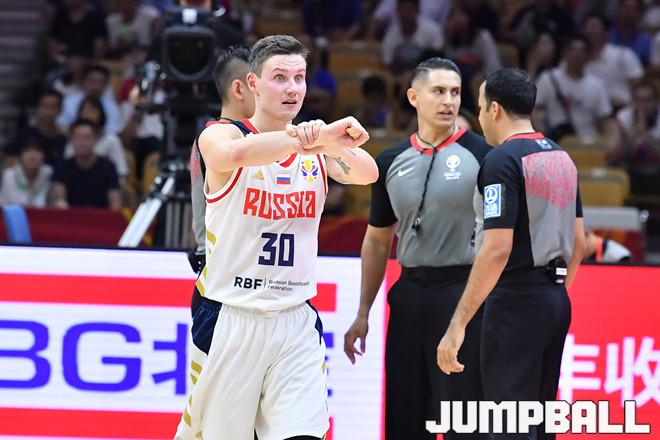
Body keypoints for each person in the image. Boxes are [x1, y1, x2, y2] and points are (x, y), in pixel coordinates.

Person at [174, 35, 378, 440]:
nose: (292, 88)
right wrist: (311, 138)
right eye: (280, 78)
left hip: (294, 318)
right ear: (252, 83)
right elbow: (230, 157)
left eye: (299, 78)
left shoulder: (316, 147)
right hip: (232, 315)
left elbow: (367, 172)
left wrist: (326, 142)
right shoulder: (221, 134)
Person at [344, 57, 491, 440]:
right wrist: (363, 312)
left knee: (463, 420)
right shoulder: (390, 161)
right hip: (409, 296)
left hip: (462, 294)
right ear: (413, 97)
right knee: (405, 416)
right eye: (438, 91)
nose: (449, 101)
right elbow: (377, 240)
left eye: (455, 92)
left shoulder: (484, 156)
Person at [437, 68, 587, 439]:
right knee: (541, 422)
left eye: (480, 106)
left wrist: (458, 324)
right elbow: (580, 243)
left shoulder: (502, 160)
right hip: (555, 299)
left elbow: (497, 249)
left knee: (508, 425)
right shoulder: (562, 157)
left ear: (495, 109)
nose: (480, 116)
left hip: (516, 300)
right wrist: (550, 292)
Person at [188, 45, 255, 314]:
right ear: (239, 89)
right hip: (223, 284)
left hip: (239, 280)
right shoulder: (222, 139)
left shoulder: (222, 137)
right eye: (259, 85)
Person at [51, 119, 121, 210]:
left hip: (101, 216)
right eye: (78, 138)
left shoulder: (109, 167)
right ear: (71, 140)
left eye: (87, 138)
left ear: (95, 139)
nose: (82, 142)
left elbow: (115, 203)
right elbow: (59, 200)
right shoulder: (62, 168)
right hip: (71, 216)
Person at [0, 139, 53, 207]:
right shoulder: (10, 174)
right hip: (12, 212)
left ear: (43, 156)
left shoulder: (48, 173)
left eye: (37, 151)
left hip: (40, 213)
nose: (32, 156)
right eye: (28, 151)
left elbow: (45, 203)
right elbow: (14, 203)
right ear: (20, 156)